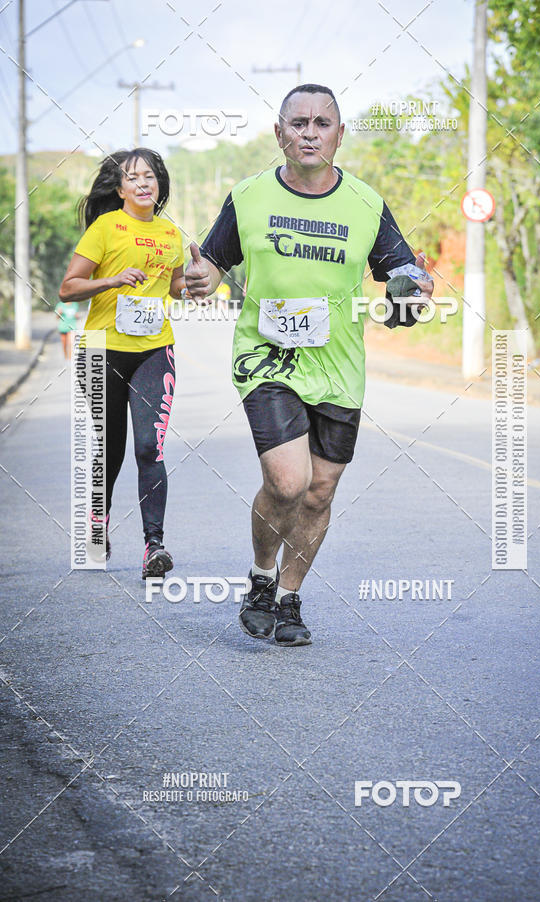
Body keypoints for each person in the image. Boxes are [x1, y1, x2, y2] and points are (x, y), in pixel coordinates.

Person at [184, 84, 434, 645]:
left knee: (320, 491)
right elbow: (210, 267)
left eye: (322, 123)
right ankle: (261, 579)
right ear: (279, 134)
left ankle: (290, 599)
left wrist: (417, 290)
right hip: (266, 357)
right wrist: (201, 280)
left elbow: (404, 276)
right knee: (288, 479)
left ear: (339, 136)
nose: (309, 132)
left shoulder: (366, 204)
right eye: (298, 123)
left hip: (339, 365)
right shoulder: (248, 197)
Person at [59, 148, 186, 579]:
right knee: (107, 448)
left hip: (154, 349)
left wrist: (196, 282)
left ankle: (155, 546)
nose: (142, 183)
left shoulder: (171, 234)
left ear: (160, 184)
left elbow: (179, 289)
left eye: (149, 176)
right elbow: (68, 288)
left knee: (149, 446)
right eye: (132, 178)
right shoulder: (105, 227)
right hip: (101, 349)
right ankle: (98, 527)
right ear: (119, 189)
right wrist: (112, 280)